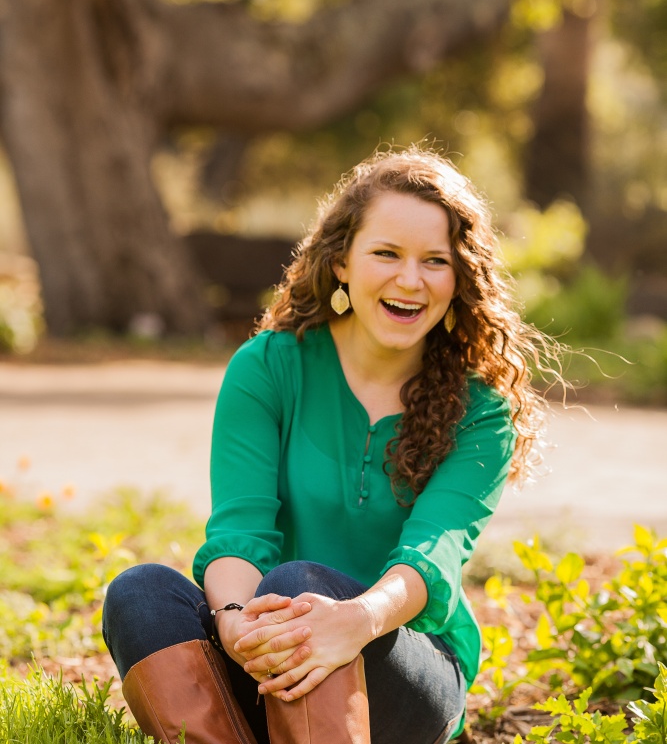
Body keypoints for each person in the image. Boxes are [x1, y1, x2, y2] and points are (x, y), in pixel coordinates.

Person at [103, 146, 554, 744]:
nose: (410, 280)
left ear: (460, 277)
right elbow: (240, 533)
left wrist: (356, 621)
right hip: (268, 648)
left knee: (297, 584)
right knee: (141, 593)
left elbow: (430, 556)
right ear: (342, 261)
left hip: (401, 667)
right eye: (386, 253)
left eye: (435, 261)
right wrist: (237, 627)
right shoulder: (269, 367)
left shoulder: (483, 409)